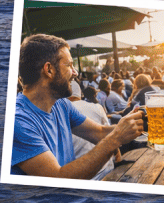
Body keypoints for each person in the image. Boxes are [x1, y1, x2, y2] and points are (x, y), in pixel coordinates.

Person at [10, 34, 145, 178]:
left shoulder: (61, 105)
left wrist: (135, 122)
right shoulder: (18, 121)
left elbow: (99, 132)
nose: (75, 73)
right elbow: (57, 178)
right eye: (69, 65)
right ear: (49, 69)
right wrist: (115, 139)